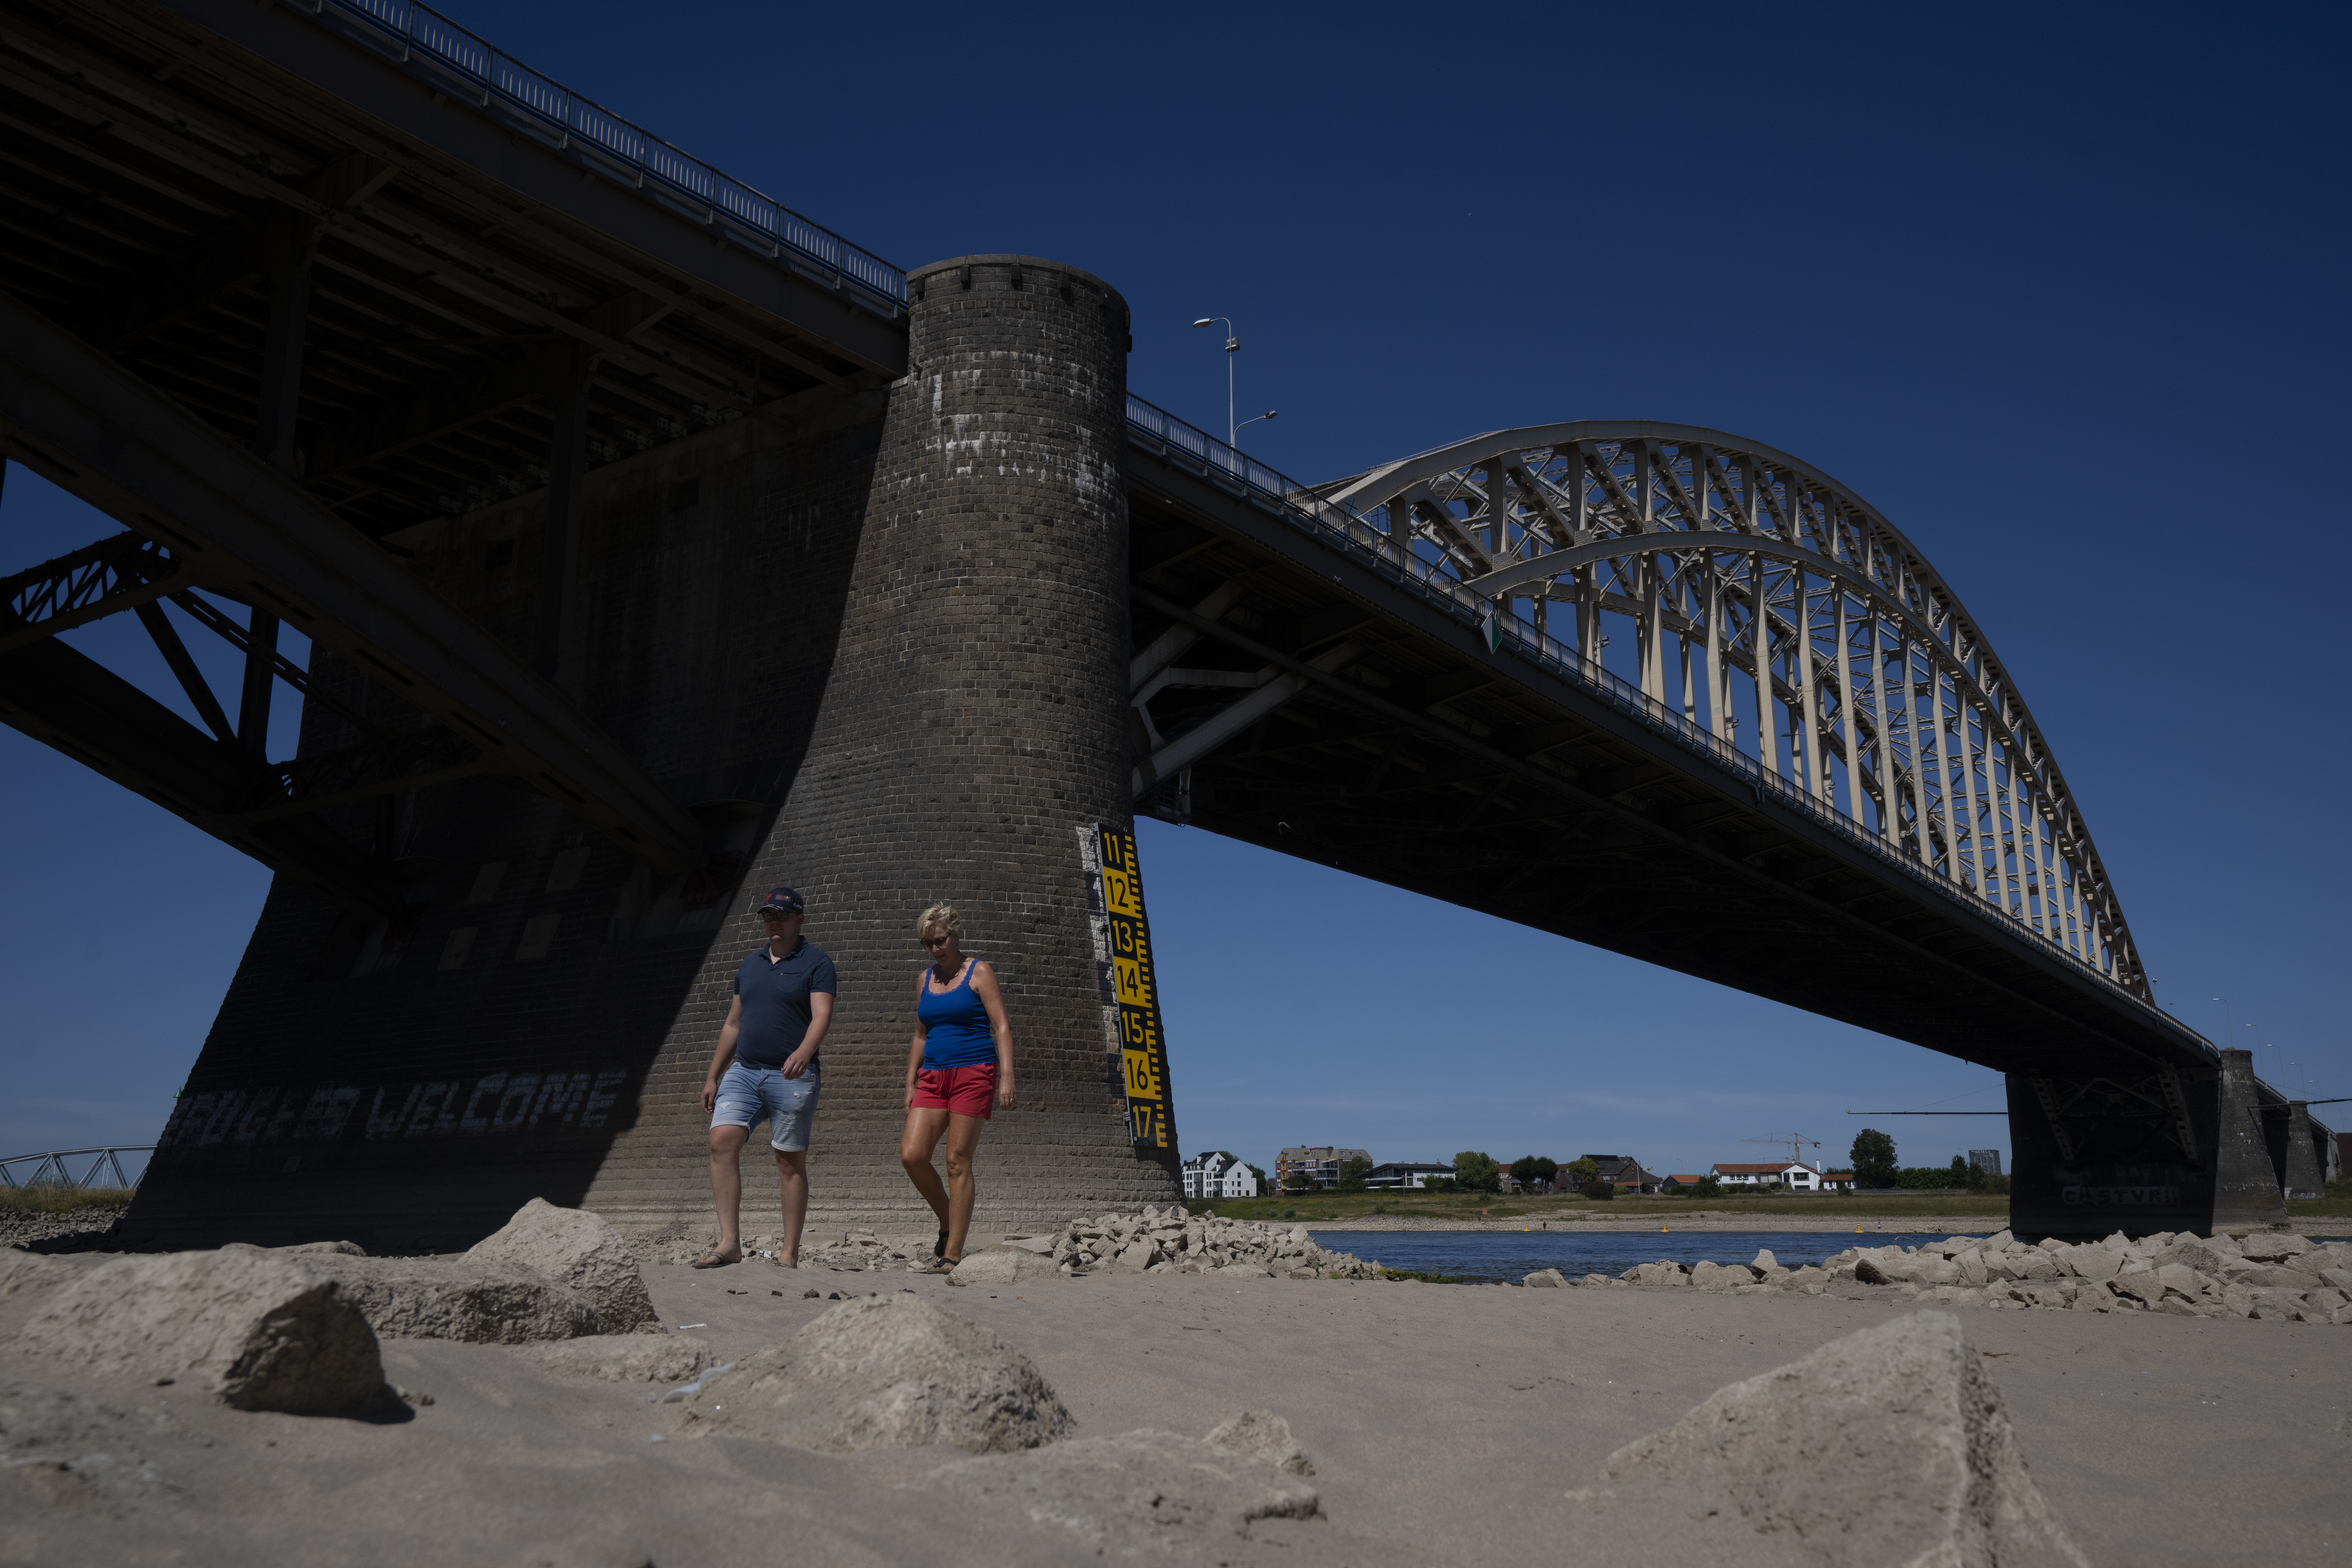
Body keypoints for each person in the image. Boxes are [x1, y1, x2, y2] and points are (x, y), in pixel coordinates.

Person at [696, 886, 834, 1269]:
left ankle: (789, 1255)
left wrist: (805, 1052)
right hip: (744, 1070)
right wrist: (713, 1076)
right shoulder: (750, 964)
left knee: (789, 1161)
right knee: (721, 1141)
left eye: (782, 915)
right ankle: (729, 1244)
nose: (774, 921)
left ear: (800, 919)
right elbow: (733, 1023)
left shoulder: (816, 963)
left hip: (792, 1077)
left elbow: (821, 1015)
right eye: (769, 916)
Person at [899, 902, 1015, 1271]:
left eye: (940, 940)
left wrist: (1007, 1077)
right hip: (933, 1076)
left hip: (974, 1072)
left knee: (956, 1161)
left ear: (956, 934)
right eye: (928, 944)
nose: (935, 949)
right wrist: (910, 1080)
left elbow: (1001, 1027)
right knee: (913, 1156)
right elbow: (921, 1034)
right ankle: (950, 1219)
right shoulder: (924, 980)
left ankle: (953, 1251)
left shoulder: (979, 972)